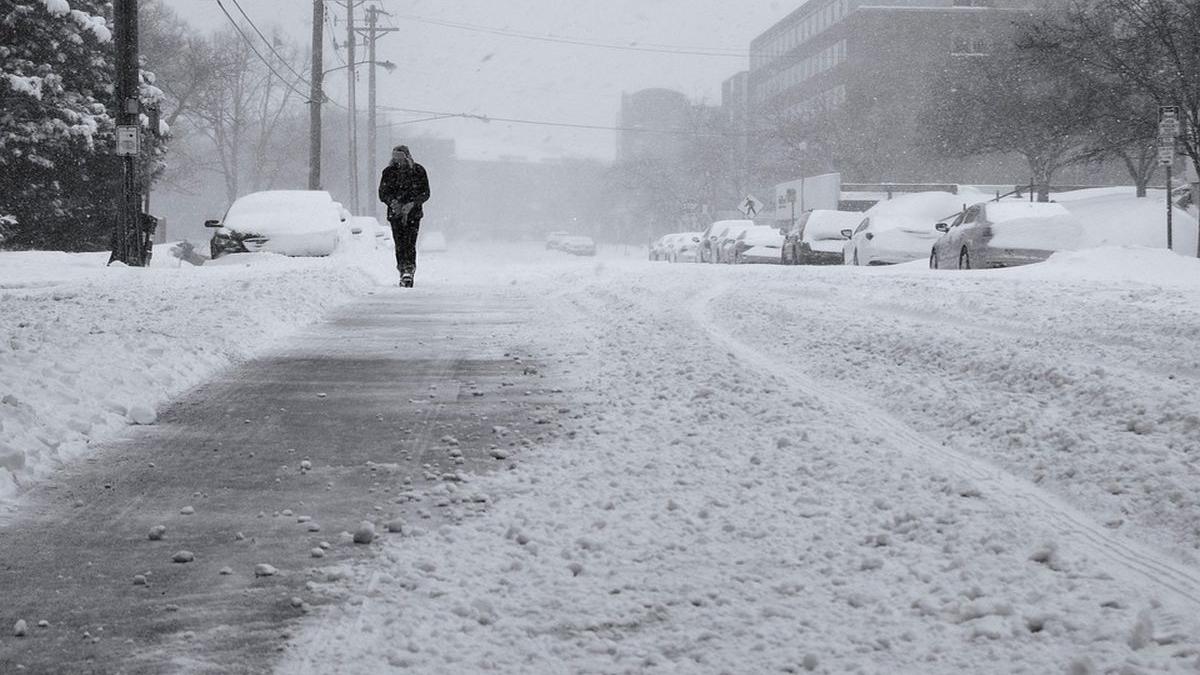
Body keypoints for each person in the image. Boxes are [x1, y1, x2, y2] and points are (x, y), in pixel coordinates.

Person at [378, 145, 431, 287]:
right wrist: (393, 202)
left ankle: (409, 269)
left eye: (400, 156)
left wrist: (412, 203)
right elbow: (382, 193)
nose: (397, 159)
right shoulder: (388, 172)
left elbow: (425, 193)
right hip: (395, 214)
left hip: (413, 214)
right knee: (399, 243)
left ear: (407, 156)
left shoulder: (418, 171)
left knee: (410, 242)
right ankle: (402, 269)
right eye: (395, 156)